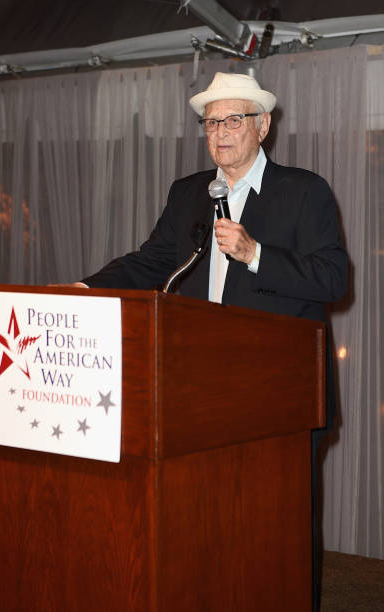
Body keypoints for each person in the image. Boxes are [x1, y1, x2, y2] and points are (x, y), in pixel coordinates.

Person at [73, 72, 349, 610]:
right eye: (211, 122)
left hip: (280, 398)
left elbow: (334, 279)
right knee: (209, 526)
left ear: (262, 125)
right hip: (202, 393)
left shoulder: (304, 190)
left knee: (278, 533)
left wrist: (257, 254)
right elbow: (153, 262)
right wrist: (84, 288)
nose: (220, 132)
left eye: (233, 119)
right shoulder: (190, 194)